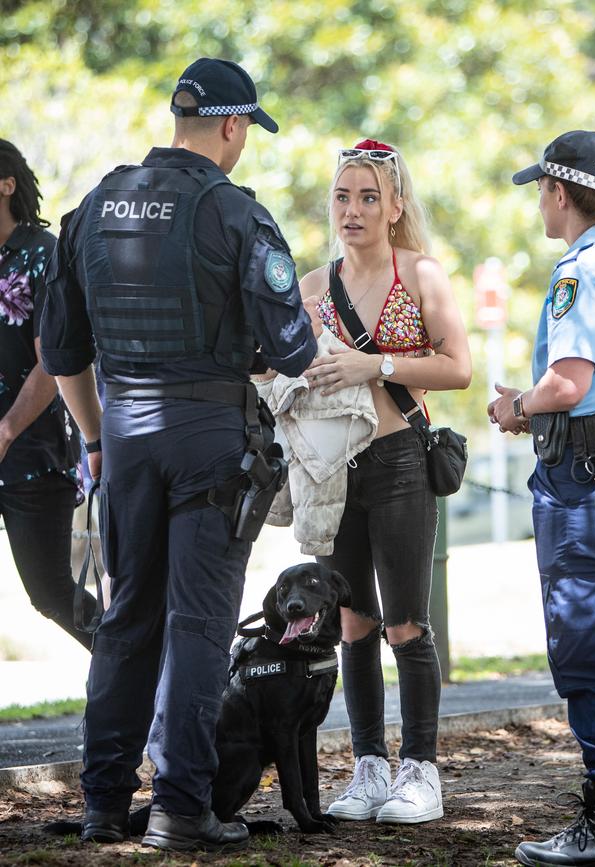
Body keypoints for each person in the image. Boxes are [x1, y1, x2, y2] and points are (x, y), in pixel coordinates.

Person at [39, 58, 320, 852]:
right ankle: (180, 807)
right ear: (233, 127)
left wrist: (99, 438)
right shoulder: (235, 214)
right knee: (198, 624)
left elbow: (61, 348)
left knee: (126, 621)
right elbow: (291, 349)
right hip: (209, 444)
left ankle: (101, 804)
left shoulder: (94, 206)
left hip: (125, 436)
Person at [488, 130, 595, 867]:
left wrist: (515, 405)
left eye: (542, 190)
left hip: (588, 480)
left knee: (590, 645)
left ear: (559, 191)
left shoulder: (583, 271)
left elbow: (568, 383)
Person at [300, 139, 471, 824]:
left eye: (369, 196)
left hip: (401, 460)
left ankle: (421, 770)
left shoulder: (421, 274)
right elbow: (279, 365)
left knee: (406, 623)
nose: (354, 209)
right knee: (351, 621)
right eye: (343, 196)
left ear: (396, 207)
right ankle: (369, 765)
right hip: (328, 468)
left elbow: (458, 368)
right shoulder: (312, 287)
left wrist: (377, 367)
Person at [0, 139, 95, 649]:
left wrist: (8, 429)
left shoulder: (43, 254)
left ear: (6, 185)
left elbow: (53, 358)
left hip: (33, 454)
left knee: (52, 592)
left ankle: (142, 690)